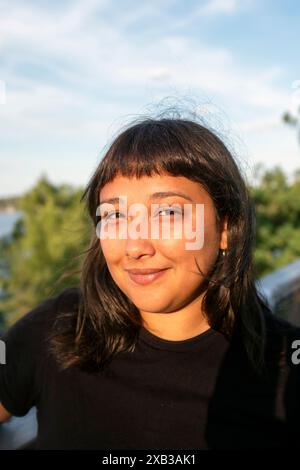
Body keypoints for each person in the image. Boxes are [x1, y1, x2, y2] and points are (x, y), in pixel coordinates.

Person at [0, 116, 300, 450]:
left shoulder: (284, 367)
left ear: (225, 228)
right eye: (114, 216)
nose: (135, 247)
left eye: (168, 213)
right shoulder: (59, 327)